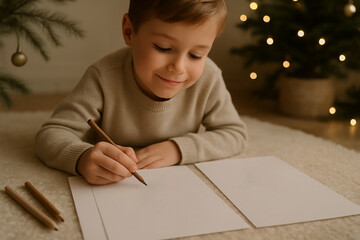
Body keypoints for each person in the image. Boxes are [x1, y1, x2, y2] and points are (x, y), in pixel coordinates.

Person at [35, 0, 248, 185]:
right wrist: (82, 157)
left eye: (196, 55)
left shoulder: (208, 77)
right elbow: (51, 134)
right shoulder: (104, 76)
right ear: (129, 31)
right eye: (163, 47)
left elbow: (234, 134)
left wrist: (178, 149)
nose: (179, 68)